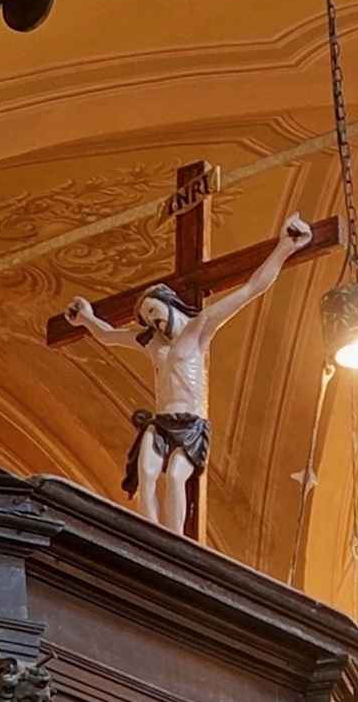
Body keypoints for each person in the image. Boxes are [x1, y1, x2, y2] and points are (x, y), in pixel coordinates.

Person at [60, 211, 316, 539]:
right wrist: (86, 319)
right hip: (161, 420)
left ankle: (173, 543)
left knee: (176, 477)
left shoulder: (199, 330)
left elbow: (252, 288)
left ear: (169, 303)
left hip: (191, 423)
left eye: (152, 311)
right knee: (147, 472)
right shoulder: (151, 343)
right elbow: (109, 336)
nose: (152, 322)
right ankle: (148, 538)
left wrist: (285, 247)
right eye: (145, 318)